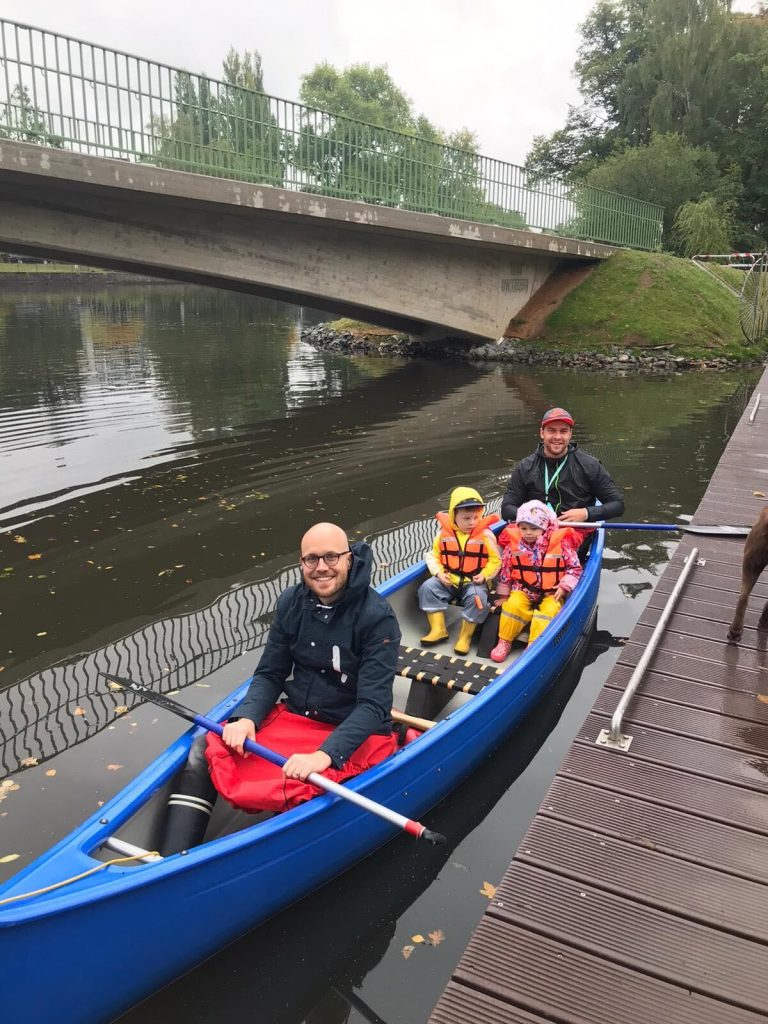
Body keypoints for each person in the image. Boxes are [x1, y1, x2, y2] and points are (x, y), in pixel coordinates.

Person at [159, 522, 401, 855]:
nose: (321, 567)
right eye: (311, 559)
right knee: (206, 748)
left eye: (331, 557)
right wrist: (246, 718)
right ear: (302, 563)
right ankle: (171, 859)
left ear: (348, 559)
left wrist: (324, 755)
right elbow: (270, 673)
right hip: (298, 719)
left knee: (305, 786)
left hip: (349, 731)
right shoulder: (291, 602)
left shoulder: (377, 617)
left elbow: (374, 706)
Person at [490, 500, 583, 662]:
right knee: (513, 606)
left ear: (545, 527)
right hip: (523, 588)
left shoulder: (561, 544)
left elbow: (574, 568)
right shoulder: (514, 546)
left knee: (550, 611)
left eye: (534, 528)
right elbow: (506, 571)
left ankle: (534, 646)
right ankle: (504, 641)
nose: (528, 533)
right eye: (524, 528)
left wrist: (564, 586)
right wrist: (504, 595)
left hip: (552, 591)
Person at [501, 407, 624, 524]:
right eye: (552, 430)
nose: (557, 437)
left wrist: (586, 513)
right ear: (542, 433)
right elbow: (507, 508)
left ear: (570, 434)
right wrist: (532, 517)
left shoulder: (591, 465)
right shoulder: (524, 467)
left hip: (577, 529)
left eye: (563, 431)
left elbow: (617, 504)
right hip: (535, 529)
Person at [418, 486, 501, 655]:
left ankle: (464, 637)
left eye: (476, 517)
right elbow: (433, 556)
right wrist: (439, 574)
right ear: (453, 516)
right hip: (449, 579)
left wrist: (484, 575)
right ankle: (438, 629)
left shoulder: (486, 535)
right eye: (466, 518)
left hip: (474, 582)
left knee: (478, 599)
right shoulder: (442, 534)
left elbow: (495, 560)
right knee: (427, 588)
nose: (472, 522)